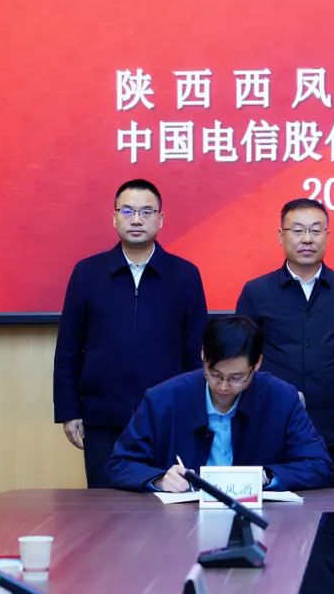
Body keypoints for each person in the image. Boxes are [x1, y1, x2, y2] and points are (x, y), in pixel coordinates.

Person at [236, 198, 334, 594]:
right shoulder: (257, 292)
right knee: (272, 523)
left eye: (316, 230)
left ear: (327, 236)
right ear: (280, 236)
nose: (307, 238)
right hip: (270, 430)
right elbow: (241, 361)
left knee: (331, 528)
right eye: (297, 230)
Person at [53, 179, 208, 488]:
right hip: (102, 416)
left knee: (169, 502)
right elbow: (69, 348)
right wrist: (69, 411)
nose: (136, 219)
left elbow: (196, 351)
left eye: (146, 212)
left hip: (168, 416)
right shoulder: (87, 273)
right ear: (114, 218)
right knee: (106, 505)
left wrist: (198, 412)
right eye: (127, 211)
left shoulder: (184, 275)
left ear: (161, 219)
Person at [106, 314, 334, 492]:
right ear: (203, 356)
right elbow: (120, 464)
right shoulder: (164, 399)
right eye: (215, 374)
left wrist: (265, 477)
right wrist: (159, 479)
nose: (224, 386)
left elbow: (319, 465)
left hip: (258, 518)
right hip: (180, 519)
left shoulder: (281, 398)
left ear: (257, 364)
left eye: (236, 378)